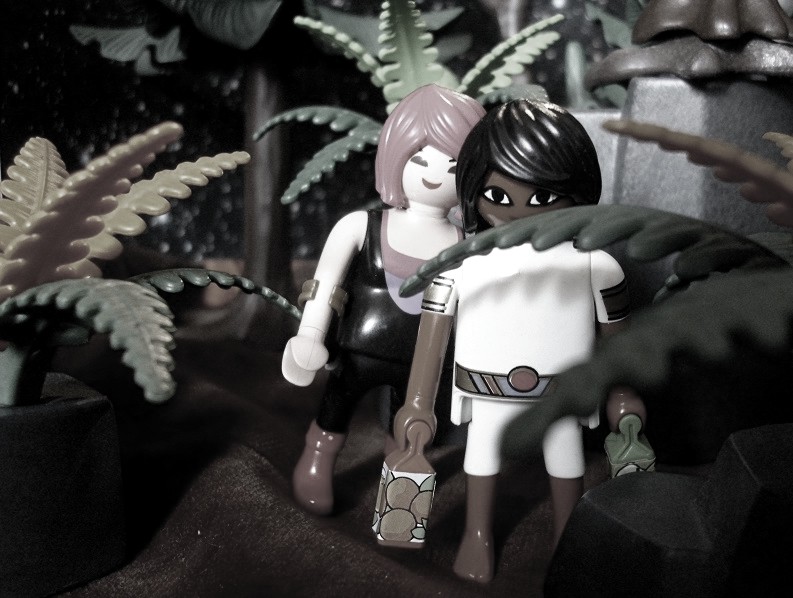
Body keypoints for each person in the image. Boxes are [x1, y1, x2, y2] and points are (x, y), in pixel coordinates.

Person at [392, 98, 651, 582]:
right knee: (482, 456)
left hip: (561, 392)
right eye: (497, 194)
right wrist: (418, 404)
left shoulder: (597, 267)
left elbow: (620, 344)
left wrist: (623, 393)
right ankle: (477, 536)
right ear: (474, 192)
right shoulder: (456, 270)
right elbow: (432, 340)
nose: (516, 211)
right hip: (486, 391)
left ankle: (567, 538)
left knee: (565, 461)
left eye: (543, 196)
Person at [283, 84, 486, 516]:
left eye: (453, 165)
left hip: (425, 361)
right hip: (358, 350)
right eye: (419, 159)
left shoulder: (464, 243)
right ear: (395, 157)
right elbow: (324, 285)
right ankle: (317, 460)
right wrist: (310, 333)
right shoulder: (360, 225)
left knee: (410, 428)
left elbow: (475, 305)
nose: (434, 174)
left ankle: (398, 496)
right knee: (335, 406)